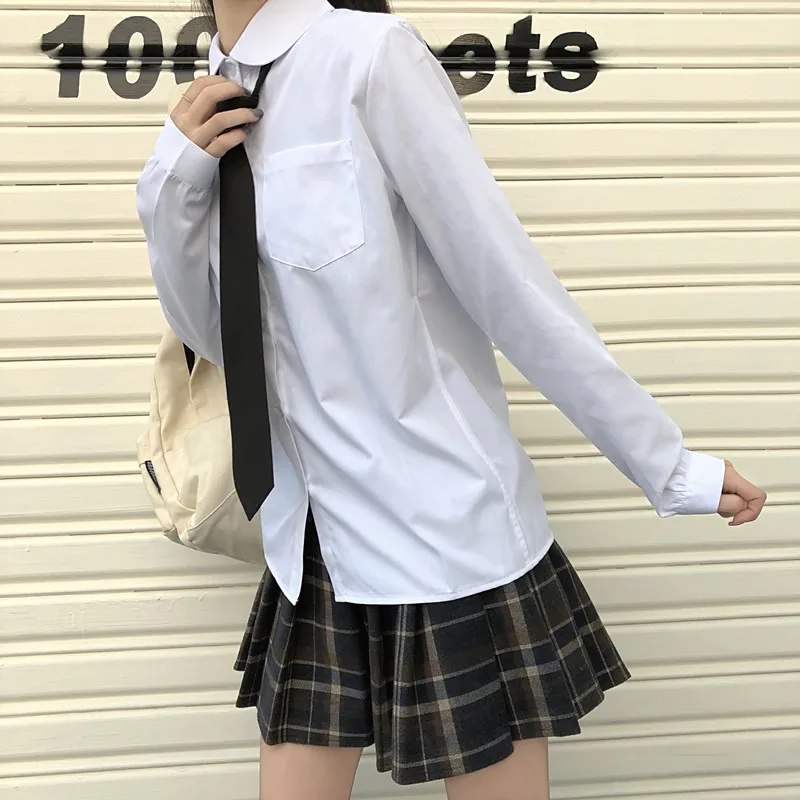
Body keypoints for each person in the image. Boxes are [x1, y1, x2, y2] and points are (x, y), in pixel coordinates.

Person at [135, 0, 768, 797]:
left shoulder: (372, 57)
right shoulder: (213, 100)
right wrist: (171, 185)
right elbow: (217, 337)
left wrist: (669, 466)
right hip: (313, 536)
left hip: (440, 526)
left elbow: (507, 284)